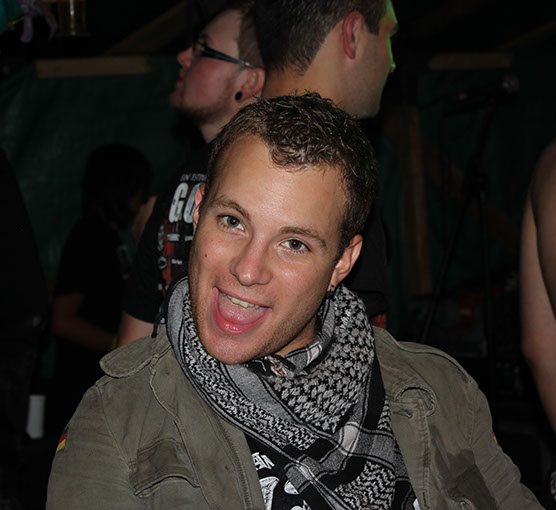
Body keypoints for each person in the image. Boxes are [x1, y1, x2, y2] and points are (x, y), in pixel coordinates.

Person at [47, 93, 540, 509]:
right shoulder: (116, 420)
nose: (247, 269)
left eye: (294, 244)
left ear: (343, 262)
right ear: (198, 213)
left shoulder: (442, 392)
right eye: (232, 221)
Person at [117, 2, 265, 346]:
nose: (183, 56)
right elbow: (137, 330)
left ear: (249, 80)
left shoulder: (271, 177)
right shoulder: (182, 177)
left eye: (203, 49)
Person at [254, 0, 398, 324]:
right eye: (389, 36)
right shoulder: (340, 186)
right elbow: (364, 347)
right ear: (353, 33)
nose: (392, 63)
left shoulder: (195, 170)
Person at [49, 144, 151, 433]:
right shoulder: (89, 238)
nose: (141, 198)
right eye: (138, 189)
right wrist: (121, 345)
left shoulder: (108, 236)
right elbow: (62, 320)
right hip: (77, 390)